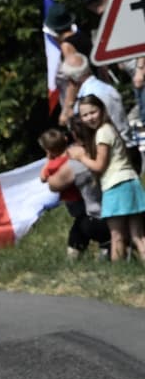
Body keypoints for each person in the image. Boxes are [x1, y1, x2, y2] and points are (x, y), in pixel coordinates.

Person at [67, 94, 145, 262]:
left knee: (116, 236)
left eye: (93, 112)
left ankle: (118, 276)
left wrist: (80, 156)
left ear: (102, 110)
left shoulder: (102, 133)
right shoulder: (110, 128)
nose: (89, 118)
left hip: (115, 186)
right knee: (138, 235)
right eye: (85, 115)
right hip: (131, 182)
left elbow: (99, 166)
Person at [39, 127, 110, 260]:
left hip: (84, 209)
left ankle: (106, 254)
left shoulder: (60, 164)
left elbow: (47, 181)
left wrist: (48, 160)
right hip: (87, 206)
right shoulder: (75, 157)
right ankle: (86, 257)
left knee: (92, 231)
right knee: (78, 231)